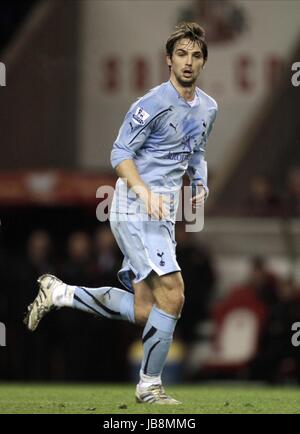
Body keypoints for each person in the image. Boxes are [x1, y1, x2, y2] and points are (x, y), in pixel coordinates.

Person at [24, 22, 218, 404]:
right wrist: (144, 193)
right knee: (174, 294)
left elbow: (196, 151)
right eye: (181, 54)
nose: (188, 62)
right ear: (168, 59)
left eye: (196, 56)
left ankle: (61, 292)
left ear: (203, 62)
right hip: (133, 206)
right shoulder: (152, 104)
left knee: (148, 309)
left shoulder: (209, 108)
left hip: (161, 214)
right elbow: (119, 154)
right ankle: (149, 386)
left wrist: (200, 181)